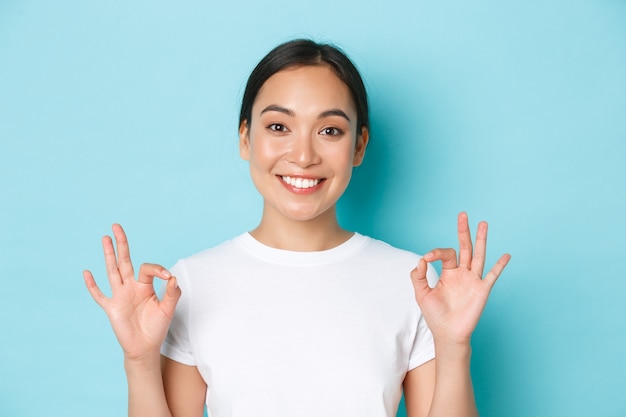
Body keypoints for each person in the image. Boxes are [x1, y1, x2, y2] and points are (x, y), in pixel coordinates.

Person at [84, 39, 511, 417]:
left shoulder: (412, 281)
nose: (303, 155)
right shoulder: (193, 282)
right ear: (245, 138)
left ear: (358, 146)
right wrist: (139, 361)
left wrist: (454, 348)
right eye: (278, 127)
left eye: (329, 130)